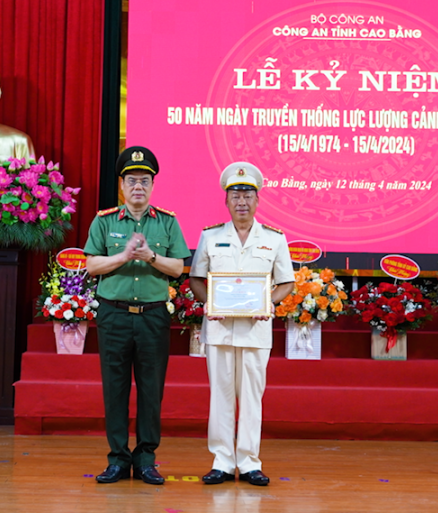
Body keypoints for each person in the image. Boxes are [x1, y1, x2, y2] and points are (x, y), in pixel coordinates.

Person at [83, 146, 190, 485]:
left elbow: (178, 268)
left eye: (145, 180)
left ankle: (145, 459)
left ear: (153, 185)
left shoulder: (167, 222)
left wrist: (149, 256)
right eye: (132, 181)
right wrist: (124, 256)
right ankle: (117, 459)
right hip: (113, 316)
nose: (138, 187)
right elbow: (91, 264)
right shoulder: (105, 221)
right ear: (122, 186)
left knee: (150, 389)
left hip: (152, 317)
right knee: (114, 389)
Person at [188, 162, 294, 487]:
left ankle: (249, 462)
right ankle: (221, 460)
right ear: (227, 201)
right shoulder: (210, 236)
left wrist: (267, 304)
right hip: (219, 329)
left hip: (255, 330)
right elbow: (195, 278)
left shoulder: (274, 239)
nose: (242, 201)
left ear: (258, 200)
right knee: (220, 396)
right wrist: (209, 302)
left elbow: (286, 283)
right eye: (235, 195)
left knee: (251, 397)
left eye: (248, 194)